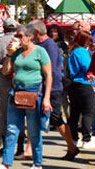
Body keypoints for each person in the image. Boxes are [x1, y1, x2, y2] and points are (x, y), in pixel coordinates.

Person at [0, 23, 52, 169]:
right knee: (12, 128)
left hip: (34, 92)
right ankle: (5, 163)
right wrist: (9, 54)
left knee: (33, 129)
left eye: (20, 36)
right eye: (16, 35)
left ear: (29, 37)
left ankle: (37, 164)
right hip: (16, 92)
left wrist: (46, 98)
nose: (16, 38)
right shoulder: (16, 53)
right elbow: (6, 71)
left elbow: (49, 75)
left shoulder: (40, 52)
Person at [32, 20, 77, 159]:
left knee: (56, 118)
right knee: (35, 118)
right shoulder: (41, 45)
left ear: (38, 32)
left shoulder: (49, 46)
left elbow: (50, 69)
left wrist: (47, 89)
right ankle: (30, 150)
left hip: (53, 87)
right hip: (44, 86)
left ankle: (72, 146)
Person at [0, 17, 18, 151]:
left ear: (4, 28)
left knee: (3, 114)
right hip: (19, 81)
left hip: (3, 82)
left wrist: (3, 69)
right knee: (20, 112)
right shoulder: (21, 42)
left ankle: (6, 144)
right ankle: (20, 144)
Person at [67, 31, 95, 150]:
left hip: (74, 83)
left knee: (75, 112)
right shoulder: (82, 51)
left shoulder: (73, 51)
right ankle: (86, 139)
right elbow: (88, 67)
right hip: (84, 83)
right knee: (88, 111)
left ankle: (74, 138)